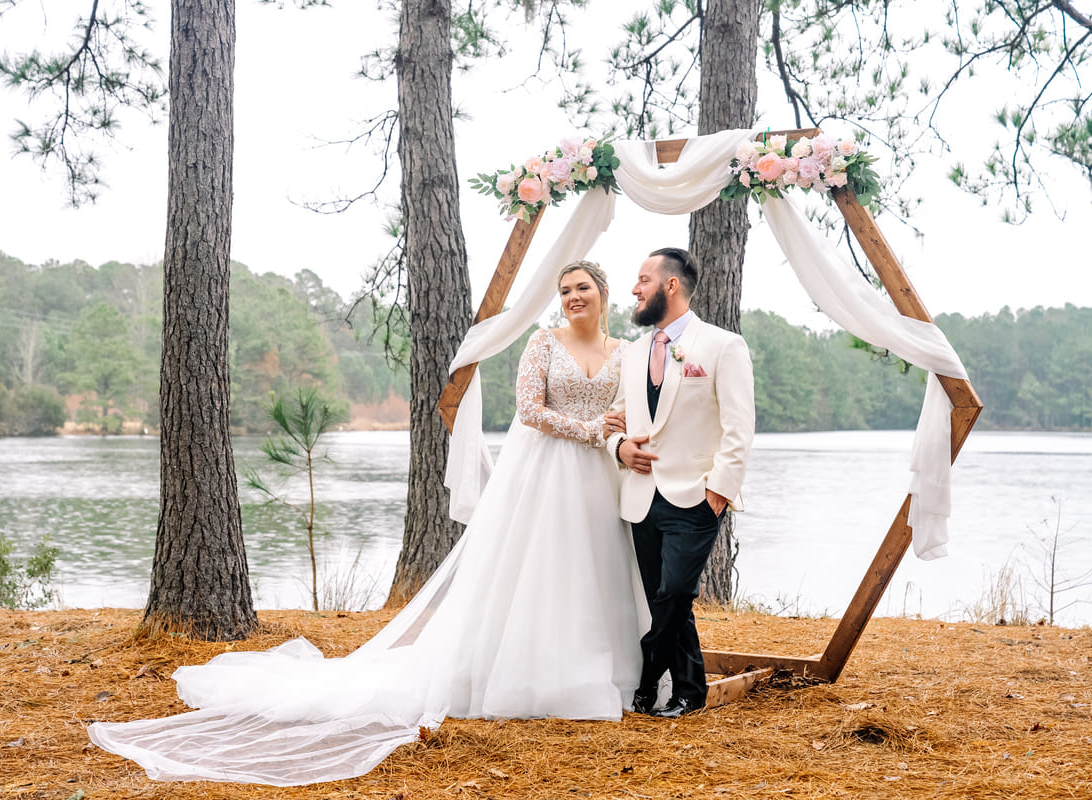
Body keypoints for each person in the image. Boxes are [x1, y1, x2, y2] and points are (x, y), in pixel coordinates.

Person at [87, 261, 647, 786]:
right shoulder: (542, 342)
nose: (573, 297)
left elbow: (628, 412)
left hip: (598, 478)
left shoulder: (623, 350)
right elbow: (531, 412)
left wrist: (616, 437)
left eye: (583, 289)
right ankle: (526, 676)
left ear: (603, 293)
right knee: (537, 571)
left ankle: (599, 674)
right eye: (565, 290)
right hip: (543, 476)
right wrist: (596, 428)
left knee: (589, 571)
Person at [605, 247, 755, 719]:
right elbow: (612, 421)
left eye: (643, 279)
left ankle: (649, 676)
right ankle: (691, 691)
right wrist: (620, 448)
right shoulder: (633, 353)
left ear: (671, 285)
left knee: (674, 593)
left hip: (696, 496)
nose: (634, 288)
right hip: (641, 497)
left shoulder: (722, 346)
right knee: (664, 599)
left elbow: (739, 427)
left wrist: (718, 493)